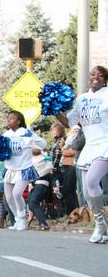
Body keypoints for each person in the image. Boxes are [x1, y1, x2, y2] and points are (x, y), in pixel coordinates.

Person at [56, 65, 108, 243]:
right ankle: (103, 225)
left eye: (101, 75)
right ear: (88, 78)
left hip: (105, 144)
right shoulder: (82, 99)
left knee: (93, 180)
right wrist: (55, 110)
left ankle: (100, 224)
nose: (96, 77)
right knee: (86, 191)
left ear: (105, 80)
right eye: (93, 74)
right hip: (90, 146)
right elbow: (68, 122)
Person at [1, 110, 46, 232]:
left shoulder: (26, 133)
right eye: (8, 118)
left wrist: (32, 139)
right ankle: (17, 219)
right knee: (9, 197)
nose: (9, 120)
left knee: (17, 193)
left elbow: (43, 144)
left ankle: (22, 218)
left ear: (18, 121)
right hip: (10, 169)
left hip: (24, 168)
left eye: (11, 118)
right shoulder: (6, 135)